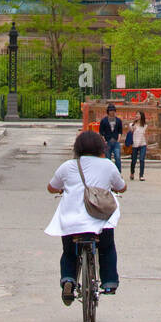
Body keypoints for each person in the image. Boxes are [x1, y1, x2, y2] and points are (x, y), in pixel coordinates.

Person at [45, 129, 127, 302]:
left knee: (68, 252)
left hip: (72, 222)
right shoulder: (108, 165)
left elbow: (51, 187)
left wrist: (63, 188)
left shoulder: (67, 166)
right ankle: (109, 281)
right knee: (107, 248)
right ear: (101, 147)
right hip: (100, 222)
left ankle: (68, 279)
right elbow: (121, 187)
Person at [98, 104, 123, 171]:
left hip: (115, 140)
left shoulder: (118, 120)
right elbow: (101, 131)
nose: (112, 112)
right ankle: (108, 172)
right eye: (110, 110)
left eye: (113, 111)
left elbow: (120, 131)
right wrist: (104, 140)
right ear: (108, 111)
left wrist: (118, 140)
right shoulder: (104, 120)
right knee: (108, 158)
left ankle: (118, 172)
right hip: (107, 140)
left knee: (117, 157)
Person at [127, 110, 148, 181]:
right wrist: (133, 127)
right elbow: (130, 133)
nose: (136, 116)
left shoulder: (145, 126)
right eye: (136, 114)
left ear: (141, 116)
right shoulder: (132, 125)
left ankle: (141, 175)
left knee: (142, 159)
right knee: (133, 160)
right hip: (134, 144)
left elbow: (146, 134)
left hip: (142, 144)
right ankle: (132, 173)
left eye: (138, 114)